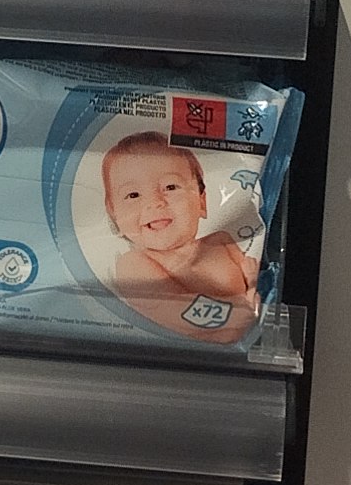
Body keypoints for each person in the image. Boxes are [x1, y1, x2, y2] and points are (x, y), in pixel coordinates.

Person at [98, 132, 258, 341]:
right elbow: (176, 309)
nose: (155, 202)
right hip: (181, 356)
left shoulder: (222, 242)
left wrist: (253, 288)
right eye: (133, 194)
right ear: (114, 214)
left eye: (170, 187)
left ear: (202, 201)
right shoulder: (134, 264)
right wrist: (242, 313)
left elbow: (255, 284)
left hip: (243, 349)